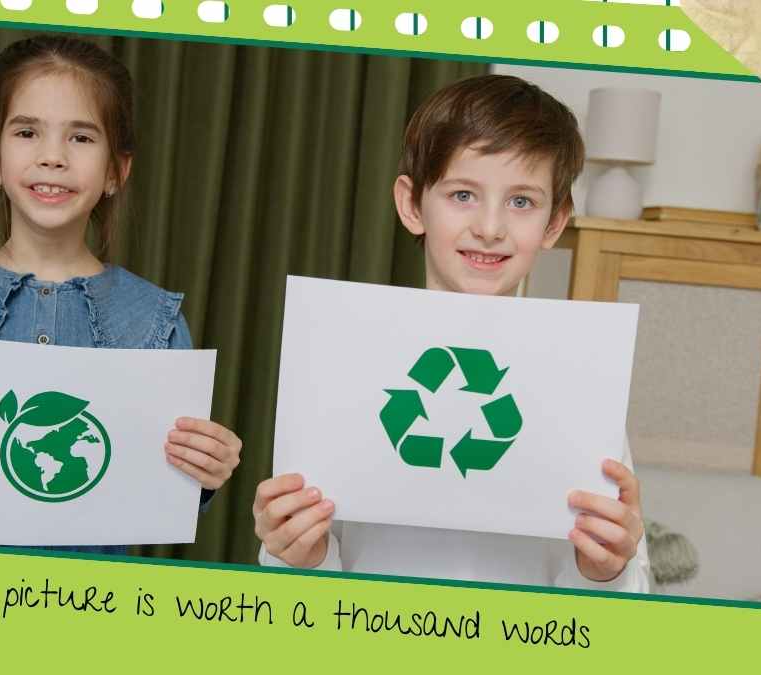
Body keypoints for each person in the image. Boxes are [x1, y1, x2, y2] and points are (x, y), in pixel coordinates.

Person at [253, 75, 649, 591]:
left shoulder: (583, 385)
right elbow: (293, 595)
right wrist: (297, 555)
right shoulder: (343, 357)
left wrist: (608, 572)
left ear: (555, 224)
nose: (490, 227)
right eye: (463, 194)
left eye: (522, 202)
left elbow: (616, 614)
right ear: (412, 205)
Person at [0, 35, 242, 554]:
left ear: (116, 171)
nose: (52, 157)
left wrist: (204, 473)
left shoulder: (159, 324)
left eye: (81, 138)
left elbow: (162, 498)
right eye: (27, 131)